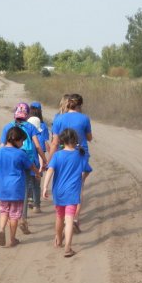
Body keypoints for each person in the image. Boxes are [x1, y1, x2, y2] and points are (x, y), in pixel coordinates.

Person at [0, 102, 48, 234]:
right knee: (25, 190)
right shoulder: (30, 126)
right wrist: (44, 160)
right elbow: (37, 145)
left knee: (13, 189)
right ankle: (23, 219)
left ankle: (11, 220)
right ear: (27, 115)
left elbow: (2, 146)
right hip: (28, 160)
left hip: (12, 161)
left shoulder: (8, 127)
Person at [0, 126, 40, 247]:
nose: (22, 143)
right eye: (22, 141)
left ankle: (1, 229)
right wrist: (37, 173)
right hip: (16, 189)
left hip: (3, 189)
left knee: (4, 211)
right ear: (16, 140)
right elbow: (31, 166)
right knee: (14, 214)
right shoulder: (20, 154)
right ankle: (12, 239)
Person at [49, 94, 92, 232]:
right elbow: (89, 138)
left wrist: (49, 160)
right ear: (80, 105)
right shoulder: (84, 118)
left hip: (62, 155)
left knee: (63, 182)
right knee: (78, 187)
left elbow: (55, 142)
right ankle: (74, 219)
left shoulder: (59, 119)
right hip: (80, 155)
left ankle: (63, 217)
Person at [43, 129, 86, 258]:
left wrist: (45, 187)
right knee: (69, 219)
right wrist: (82, 179)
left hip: (59, 192)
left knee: (59, 217)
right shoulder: (80, 155)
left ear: (62, 140)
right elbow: (87, 170)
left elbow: (50, 171)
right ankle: (68, 247)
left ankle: (58, 239)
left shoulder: (57, 155)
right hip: (72, 191)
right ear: (75, 140)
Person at [27, 116, 44, 214]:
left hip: (26, 165)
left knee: (27, 183)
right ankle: (36, 206)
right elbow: (40, 152)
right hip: (36, 165)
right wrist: (42, 165)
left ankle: (29, 199)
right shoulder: (39, 138)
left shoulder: (23, 137)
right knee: (36, 186)